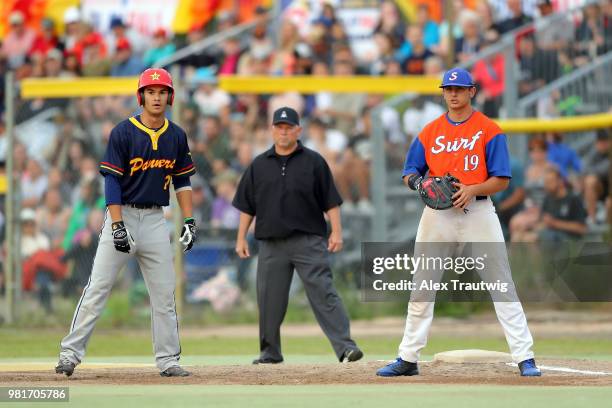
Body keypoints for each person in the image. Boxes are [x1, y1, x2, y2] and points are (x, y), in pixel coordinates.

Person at [376, 68, 541, 378]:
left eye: (460, 89)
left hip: (478, 211)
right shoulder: (430, 131)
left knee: (501, 284)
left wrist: (473, 189)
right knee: (422, 286)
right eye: (448, 89)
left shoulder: (489, 130)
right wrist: (418, 185)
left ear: (471, 92)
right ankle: (408, 358)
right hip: (437, 215)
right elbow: (410, 171)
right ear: (443, 92)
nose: (453, 94)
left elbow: (501, 179)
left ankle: (525, 357)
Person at [55, 68, 197, 378]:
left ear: (169, 97)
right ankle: (70, 353)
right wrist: (117, 224)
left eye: (162, 92)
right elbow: (113, 182)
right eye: (151, 92)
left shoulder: (176, 135)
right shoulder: (123, 132)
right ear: (141, 96)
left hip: (156, 220)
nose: (156, 97)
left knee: (164, 293)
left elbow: (182, 181)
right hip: (124, 214)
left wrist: (189, 219)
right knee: (98, 288)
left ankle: (168, 359)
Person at [232, 106, 363, 365]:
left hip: (308, 240)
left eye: (288, 127)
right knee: (269, 299)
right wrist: (240, 238)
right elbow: (247, 206)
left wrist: (336, 231)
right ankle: (270, 352)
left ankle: (346, 347)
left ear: (298, 130)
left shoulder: (314, 161)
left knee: (324, 293)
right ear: (272, 130)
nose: (283, 132)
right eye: (279, 127)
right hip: (271, 243)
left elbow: (331, 202)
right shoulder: (259, 165)